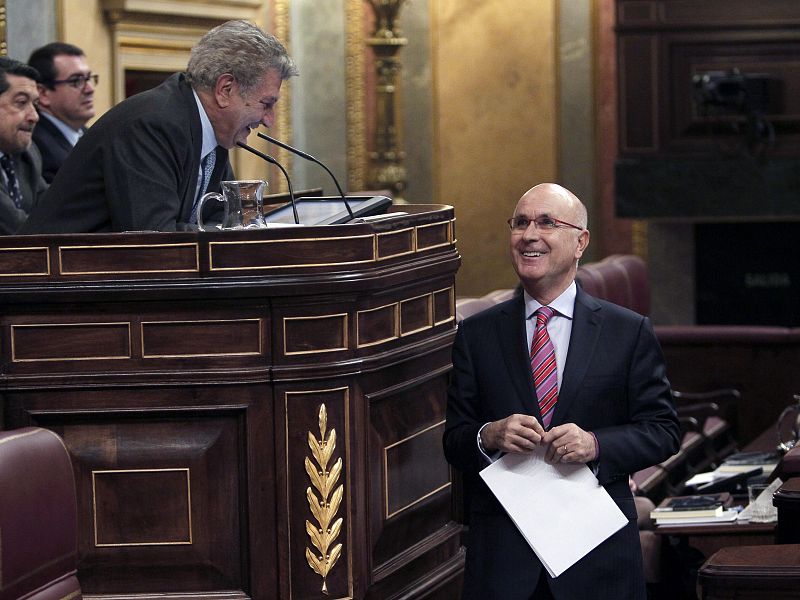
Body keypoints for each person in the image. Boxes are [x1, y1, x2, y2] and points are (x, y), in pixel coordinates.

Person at [443, 183, 681, 599]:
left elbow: (662, 430)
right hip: (504, 561)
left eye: (547, 223)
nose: (529, 234)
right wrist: (490, 435)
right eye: (520, 223)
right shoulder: (476, 334)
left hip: (597, 556)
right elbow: (455, 440)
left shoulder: (627, 331)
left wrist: (595, 443)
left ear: (580, 242)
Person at [19, 19, 298, 234]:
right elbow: (155, 238)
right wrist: (242, 233)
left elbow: (219, 218)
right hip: (60, 290)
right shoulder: (152, 125)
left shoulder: (211, 129)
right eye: (266, 103)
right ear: (225, 89)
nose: (269, 119)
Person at [28, 42, 96, 183]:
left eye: (88, 78)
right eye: (76, 81)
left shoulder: (92, 136)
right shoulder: (35, 145)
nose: (90, 89)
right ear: (43, 93)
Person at [0, 57, 48, 235]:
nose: (34, 116)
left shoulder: (29, 152)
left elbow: (54, 208)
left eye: (35, 104)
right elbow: (17, 229)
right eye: (21, 103)